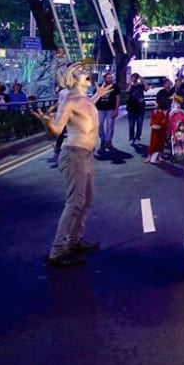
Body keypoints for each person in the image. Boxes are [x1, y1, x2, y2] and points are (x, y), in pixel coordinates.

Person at [32, 62, 112, 267]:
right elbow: (57, 131)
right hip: (73, 154)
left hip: (86, 155)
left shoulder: (84, 99)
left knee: (86, 201)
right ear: (72, 78)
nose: (86, 72)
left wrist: (98, 95)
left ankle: (74, 241)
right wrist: (48, 123)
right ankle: (58, 251)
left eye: (85, 70)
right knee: (75, 202)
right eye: (80, 71)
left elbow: (85, 109)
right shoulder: (69, 100)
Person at [95, 71, 120, 151]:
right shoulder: (99, 86)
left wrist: (116, 109)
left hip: (110, 109)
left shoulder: (115, 87)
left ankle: (108, 141)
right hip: (100, 109)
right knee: (99, 125)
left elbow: (118, 98)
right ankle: (103, 139)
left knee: (110, 125)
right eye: (108, 78)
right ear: (104, 78)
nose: (110, 79)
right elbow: (95, 97)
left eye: (111, 78)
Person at [125, 73, 146, 143]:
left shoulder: (141, 86)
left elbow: (147, 88)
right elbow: (127, 91)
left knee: (139, 125)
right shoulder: (130, 85)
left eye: (136, 78)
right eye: (134, 77)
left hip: (140, 108)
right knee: (131, 124)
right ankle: (131, 137)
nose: (135, 79)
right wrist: (131, 82)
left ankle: (137, 137)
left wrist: (141, 78)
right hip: (131, 108)